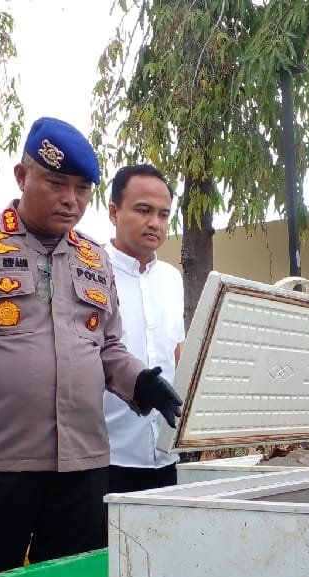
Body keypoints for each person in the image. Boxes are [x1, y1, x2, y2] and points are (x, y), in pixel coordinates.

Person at [0, 117, 182, 577]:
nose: (71, 200)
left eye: (82, 188)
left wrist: (141, 382)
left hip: (83, 466)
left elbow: (108, 346)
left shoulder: (93, 258)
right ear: (22, 177)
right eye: (57, 183)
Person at [103, 165, 185, 493]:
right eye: (143, 210)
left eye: (164, 214)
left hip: (167, 457)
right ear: (113, 212)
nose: (155, 223)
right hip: (106, 457)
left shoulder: (171, 279)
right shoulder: (88, 271)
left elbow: (176, 353)